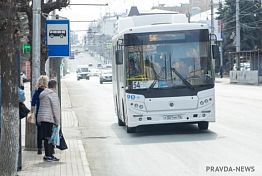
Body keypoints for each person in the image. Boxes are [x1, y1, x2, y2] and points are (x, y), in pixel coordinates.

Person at [37, 79, 60, 162]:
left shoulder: (43, 93)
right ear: (54, 86)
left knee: (46, 138)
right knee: (50, 138)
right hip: (49, 119)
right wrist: (57, 121)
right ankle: (49, 155)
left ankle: (48, 155)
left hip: (42, 118)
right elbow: (56, 109)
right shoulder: (53, 94)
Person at [31, 75, 48, 154]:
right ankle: (48, 149)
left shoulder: (37, 92)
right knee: (47, 131)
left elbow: (33, 104)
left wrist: (32, 113)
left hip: (39, 113)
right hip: (47, 114)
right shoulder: (48, 92)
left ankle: (39, 149)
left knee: (39, 131)